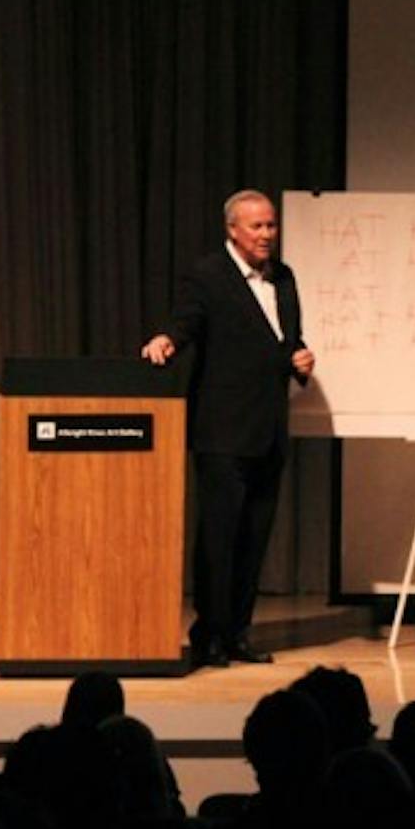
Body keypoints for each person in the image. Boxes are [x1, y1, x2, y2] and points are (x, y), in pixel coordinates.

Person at [141, 189, 314, 668]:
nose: (266, 235)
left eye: (271, 226)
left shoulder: (284, 277)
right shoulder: (209, 275)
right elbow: (186, 322)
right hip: (221, 429)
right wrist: (166, 339)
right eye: (256, 227)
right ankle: (210, 634)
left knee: (254, 537)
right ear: (233, 230)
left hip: (268, 428)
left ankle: (238, 632)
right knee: (219, 536)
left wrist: (300, 359)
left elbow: (287, 341)